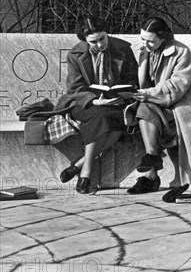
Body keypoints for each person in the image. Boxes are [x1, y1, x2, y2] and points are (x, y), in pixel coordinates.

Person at [126, 17, 191, 194]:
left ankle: (151, 173)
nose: (145, 44)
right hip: (159, 104)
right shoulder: (146, 53)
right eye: (143, 40)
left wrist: (147, 94)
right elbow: (143, 83)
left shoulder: (181, 52)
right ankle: (152, 162)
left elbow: (177, 86)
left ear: (163, 37)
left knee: (145, 111)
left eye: (150, 41)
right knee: (142, 110)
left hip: (185, 106)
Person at [57, 16, 139, 194]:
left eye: (103, 38)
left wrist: (124, 93)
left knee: (119, 120)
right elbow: (74, 89)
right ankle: (86, 173)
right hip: (84, 102)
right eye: (94, 42)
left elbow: (133, 80)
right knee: (101, 116)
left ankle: (80, 165)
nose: (100, 44)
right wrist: (95, 100)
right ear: (85, 41)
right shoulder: (75, 55)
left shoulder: (123, 49)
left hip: (115, 101)